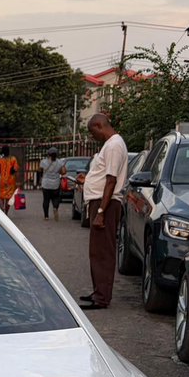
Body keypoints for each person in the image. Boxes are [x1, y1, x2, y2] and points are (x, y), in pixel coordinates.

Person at [79, 113, 128, 310]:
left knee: (103, 252)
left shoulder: (114, 145)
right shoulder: (110, 145)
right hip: (100, 202)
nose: (93, 137)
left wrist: (100, 211)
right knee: (96, 251)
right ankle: (98, 291)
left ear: (100, 126)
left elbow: (111, 180)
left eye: (93, 132)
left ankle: (102, 297)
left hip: (105, 205)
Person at [39, 149, 66, 220]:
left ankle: (46, 216)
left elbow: (40, 171)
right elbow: (63, 172)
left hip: (46, 183)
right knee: (56, 198)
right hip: (55, 184)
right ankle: (55, 207)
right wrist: (58, 171)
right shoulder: (60, 162)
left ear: (48, 154)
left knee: (46, 200)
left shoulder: (43, 162)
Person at [0, 146, 19, 215]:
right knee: (8, 198)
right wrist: (18, 181)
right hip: (11, 182)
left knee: (1, 197)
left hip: (2, 181)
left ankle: (2, 209)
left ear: (2, 152)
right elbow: (16, 170)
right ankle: (6, 212)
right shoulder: (13, 159)